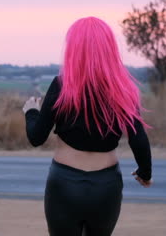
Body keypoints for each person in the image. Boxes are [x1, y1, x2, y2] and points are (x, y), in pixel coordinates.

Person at [23, 16, 152, 236]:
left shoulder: (62, 85)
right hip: (106, 185)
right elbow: (137, 137)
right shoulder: (123, 88)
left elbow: (36, 137)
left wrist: (31, 112)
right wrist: (145, 172)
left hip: (64, 183)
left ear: (73, 48)